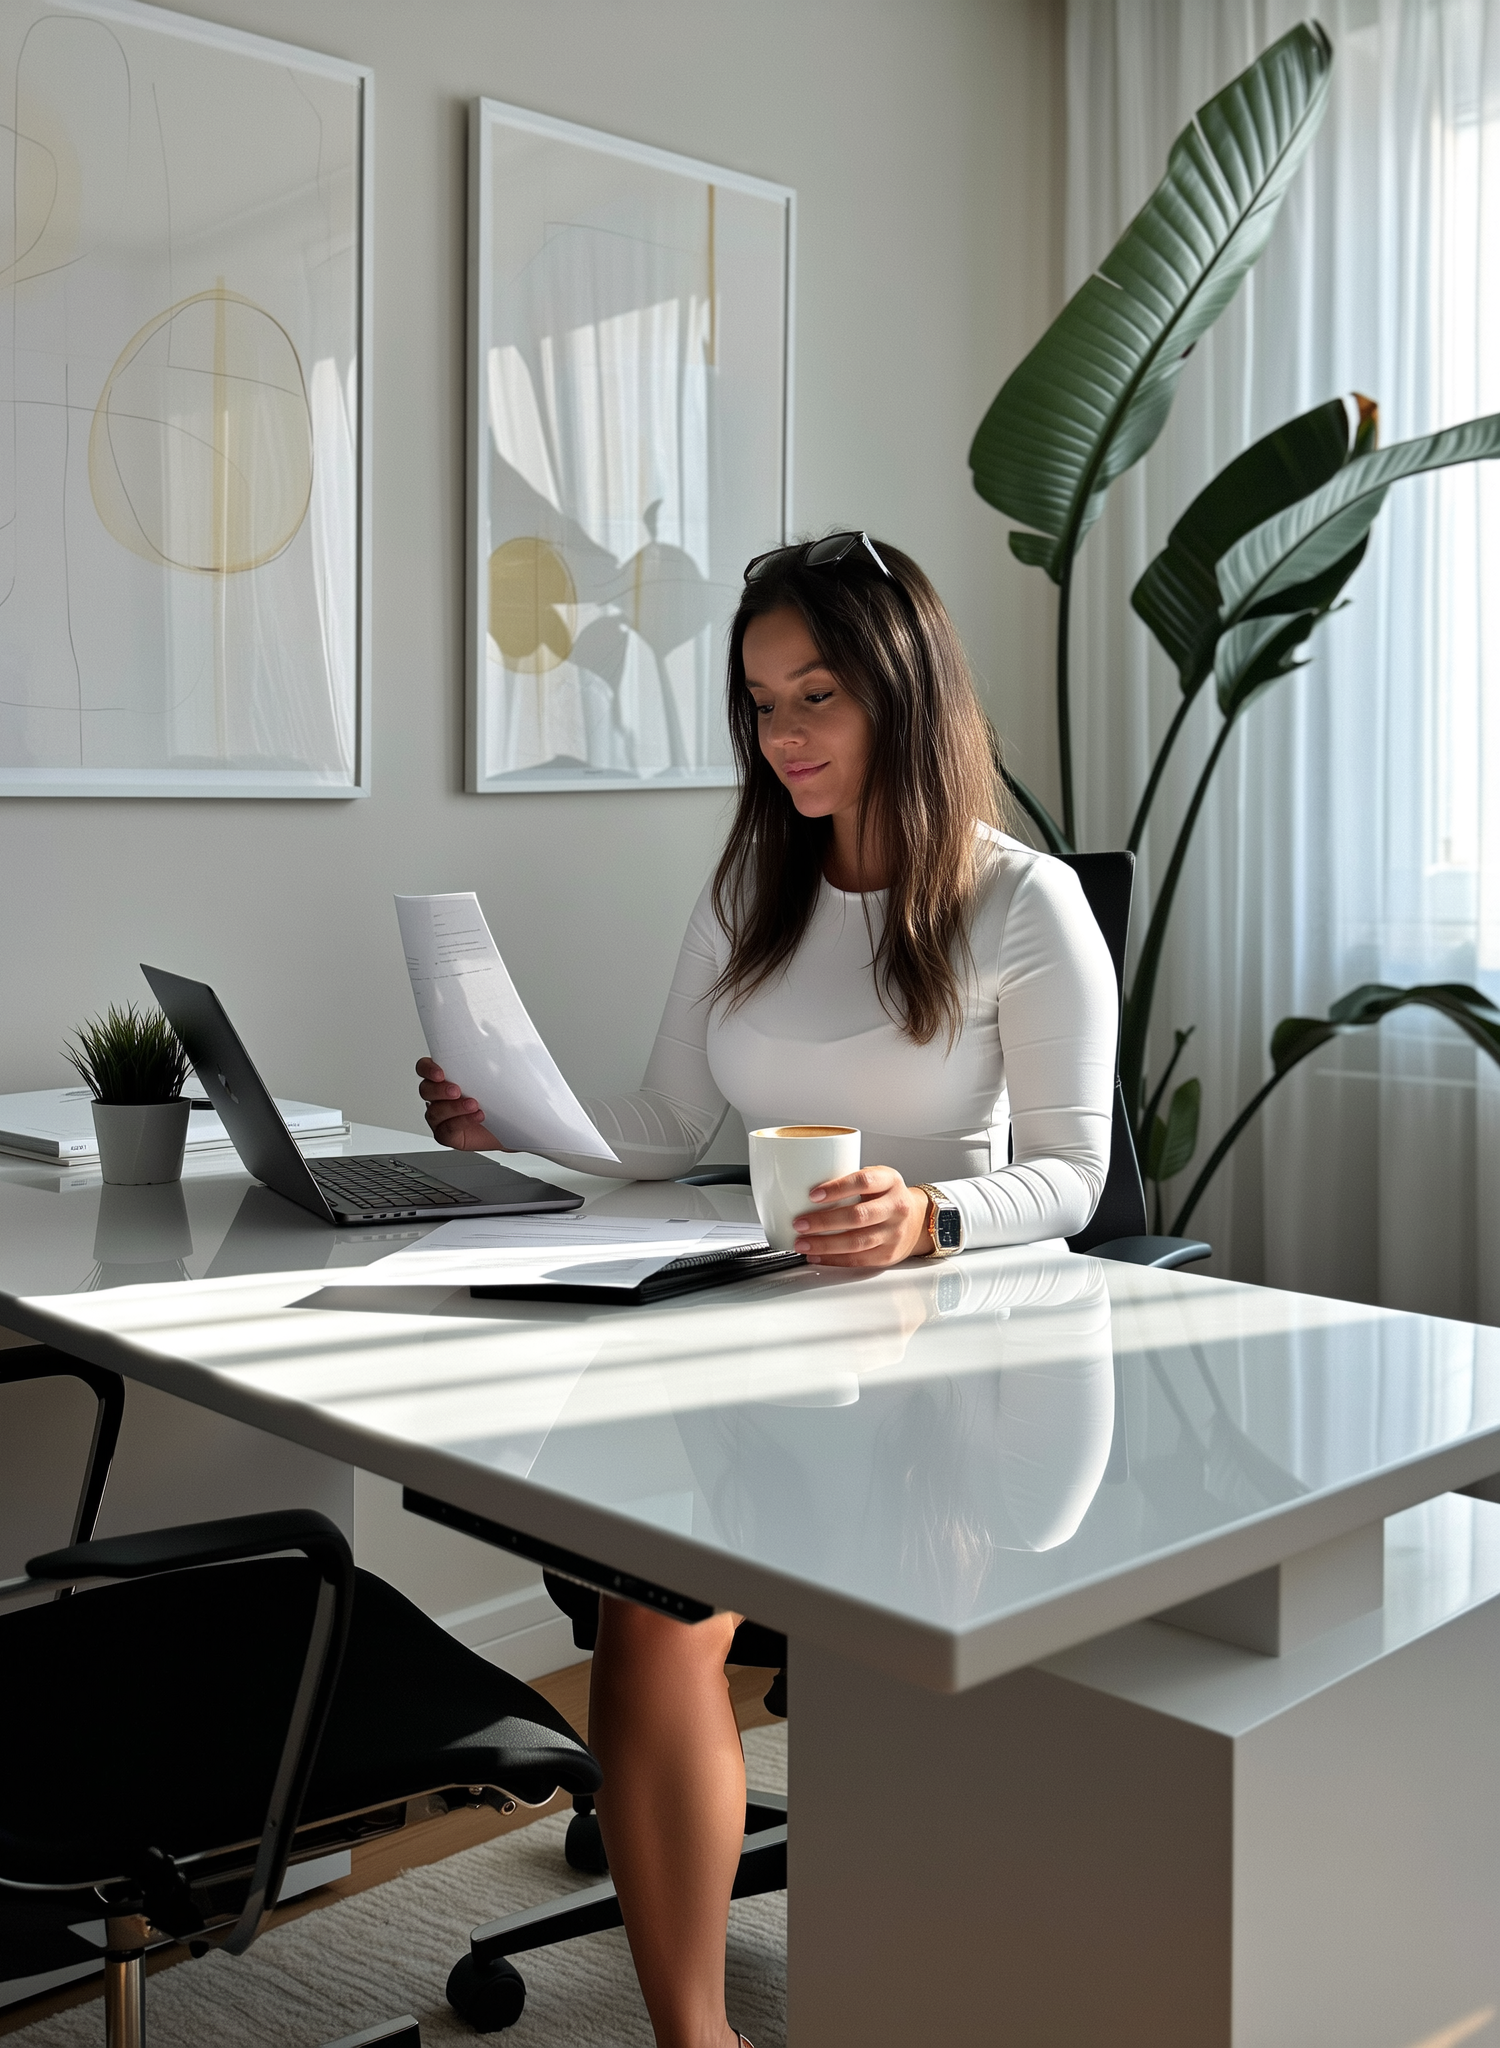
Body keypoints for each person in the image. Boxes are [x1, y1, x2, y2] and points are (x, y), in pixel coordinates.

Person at [417, 532, 1118, 2048]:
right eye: (757, 702)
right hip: (762, 1338)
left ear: (903, 694)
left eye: (817, 696)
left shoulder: (1023, 903)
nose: (782, 736)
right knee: (650, 1599)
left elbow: (1073, 1176)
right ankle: (697, 2035)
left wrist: (929, 1214)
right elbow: (668, 1129)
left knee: (817, 1609)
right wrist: (511, 1126)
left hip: (962, 1363)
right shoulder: (753, 885)